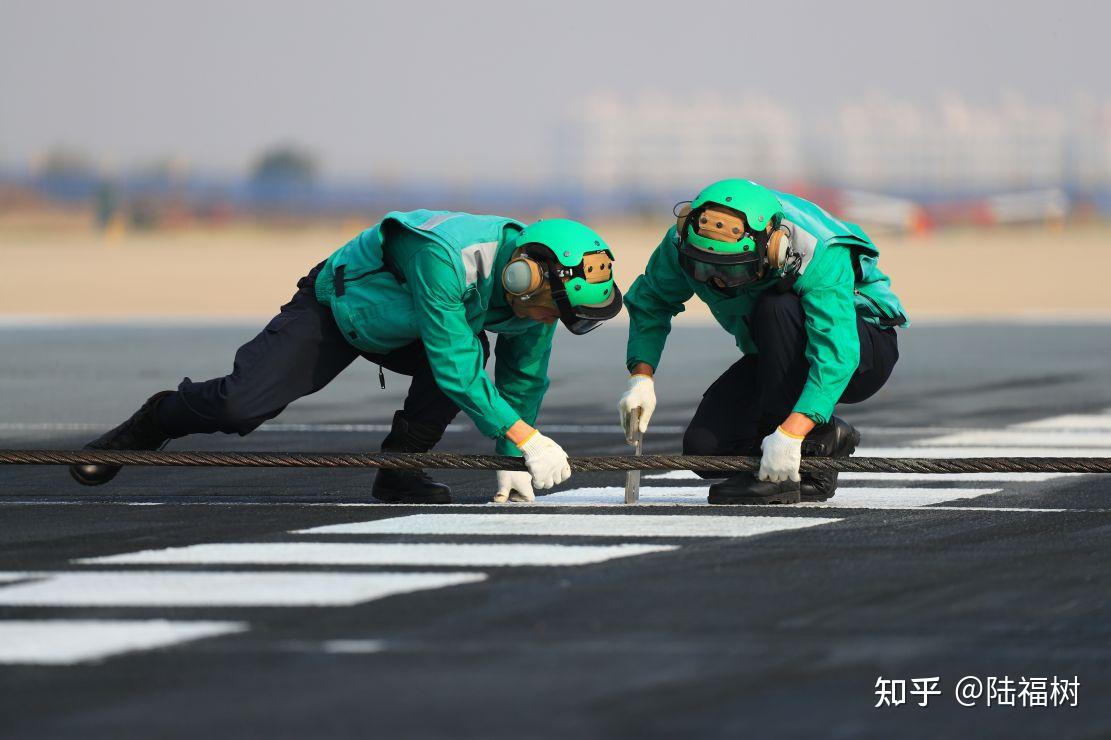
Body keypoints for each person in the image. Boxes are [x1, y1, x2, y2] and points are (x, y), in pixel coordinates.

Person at [70, 211, 623, 504]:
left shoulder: (536, 304)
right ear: (523, 276)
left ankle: (399, 471)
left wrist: (510, 459)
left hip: (414, 330)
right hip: (336, 310)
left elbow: (524, 377)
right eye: (553, 310)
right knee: (238, 407)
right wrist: (528, 438)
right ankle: (153, 420)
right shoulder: (446, 256)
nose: (549, 322)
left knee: (468, 352)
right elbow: (454, 364)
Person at [618, 179, 906, 505]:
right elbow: (653, 300)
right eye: (702, 267)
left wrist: (790, 433)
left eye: (732, 272)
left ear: (773, 252)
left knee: (776, 306)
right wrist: (641, 378)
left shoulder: (817, 251)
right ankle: (825, 438)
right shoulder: (684, 240)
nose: (717, 281)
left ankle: (791, 469)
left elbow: (837, 355)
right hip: (777, 350)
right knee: (707, 450)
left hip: (862, 349)